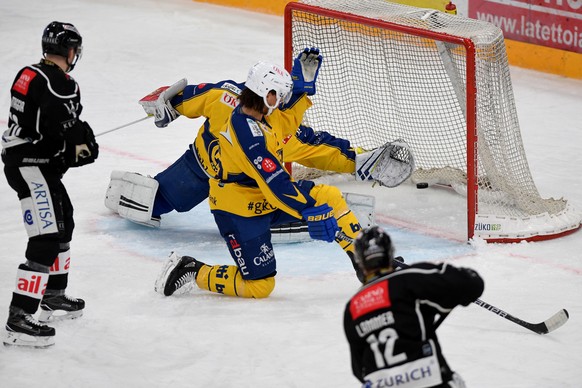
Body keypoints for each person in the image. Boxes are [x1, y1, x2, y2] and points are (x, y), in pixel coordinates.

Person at [104, 50, 414, 231]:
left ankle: (290, 216)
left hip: (243, 188)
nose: (285, 103)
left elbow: (319, 147)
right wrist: (164, 103)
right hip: (198, 168)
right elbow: (188, 96)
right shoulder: (224, 96)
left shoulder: (279, 127)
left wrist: (358, 160)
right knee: (161, 201)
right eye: (282, 96)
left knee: (274, 206)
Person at [154, 58, 369, 298]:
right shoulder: (248, 136)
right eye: (281, 96)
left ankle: (368, 264)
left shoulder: (260, 113)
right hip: (237, 210)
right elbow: (276, 186)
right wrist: (309, 210)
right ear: (268, 94)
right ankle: (193, 270)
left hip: (263, 197)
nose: (283, 103)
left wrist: (300, 91)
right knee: (260, 286)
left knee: (329, 197)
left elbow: (286, 121)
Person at [2, 21, 98, 348]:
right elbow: (59, 123)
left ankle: (53, 295)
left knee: (63, 222)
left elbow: (38, 122)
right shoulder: (62, 82)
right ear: (70, 51)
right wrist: (77, 145)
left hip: (30, 161)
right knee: (45, 239)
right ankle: (19, 317)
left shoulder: (28, 72)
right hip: (31, 166)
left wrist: (63, 150)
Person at [344, 226, 484, 387]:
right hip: (431, 382)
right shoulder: (411, 279)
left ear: (360, 262)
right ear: (390, 254)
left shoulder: (353, 306)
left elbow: (359, 370)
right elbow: (473, 283)